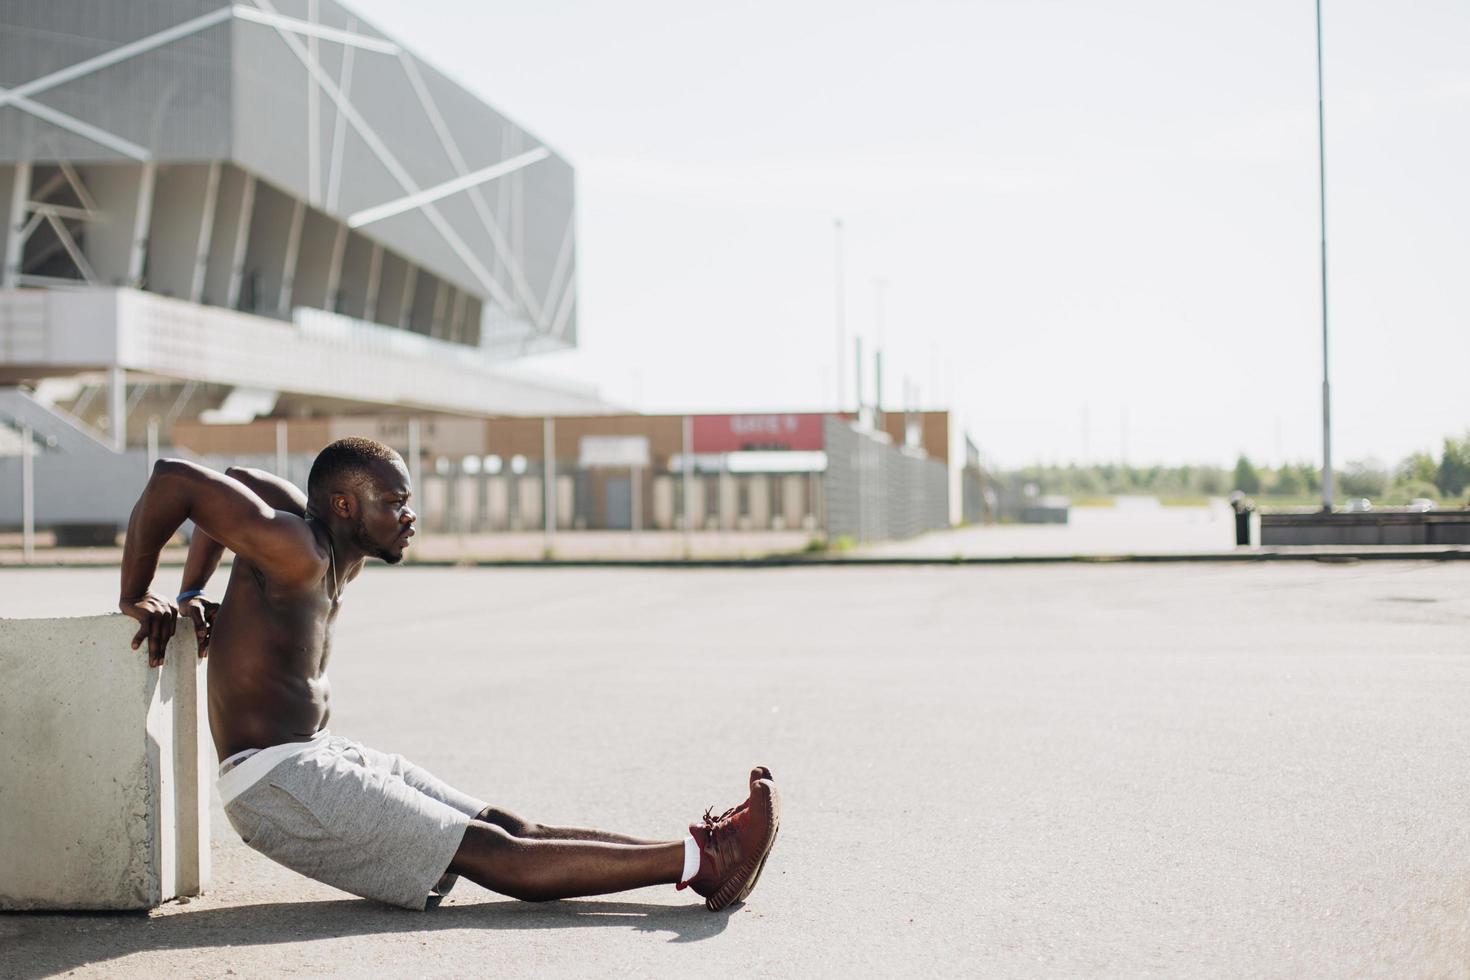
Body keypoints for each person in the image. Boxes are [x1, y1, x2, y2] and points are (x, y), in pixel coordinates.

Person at [118, 437, 779, 912]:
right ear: (345, 506)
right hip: (278, 784)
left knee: (508, 825)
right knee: (488, 852)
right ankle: (705, 860)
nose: (410, 517)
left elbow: (229, 479)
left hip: (315, 756)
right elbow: (174, 480)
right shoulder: (297, 548)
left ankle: (701, 851)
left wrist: (191, 597)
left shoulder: (310, 532)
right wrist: (142, 596)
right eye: (395, 502)